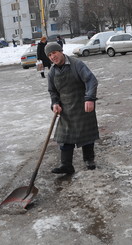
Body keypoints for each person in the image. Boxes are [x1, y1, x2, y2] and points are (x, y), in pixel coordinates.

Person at [45, 42, 99, 174]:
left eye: (54, 53)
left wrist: (90, 98)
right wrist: (55, 103)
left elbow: (91, 80)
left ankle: (89, 160)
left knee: (86, 135)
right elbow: (52, 91)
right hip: (66, 109)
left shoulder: (76, 64)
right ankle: (66, 165)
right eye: (50, 55)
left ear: (61, 51)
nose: (53, 57)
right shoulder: (52, 72)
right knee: (65, 138)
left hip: (82, 106)